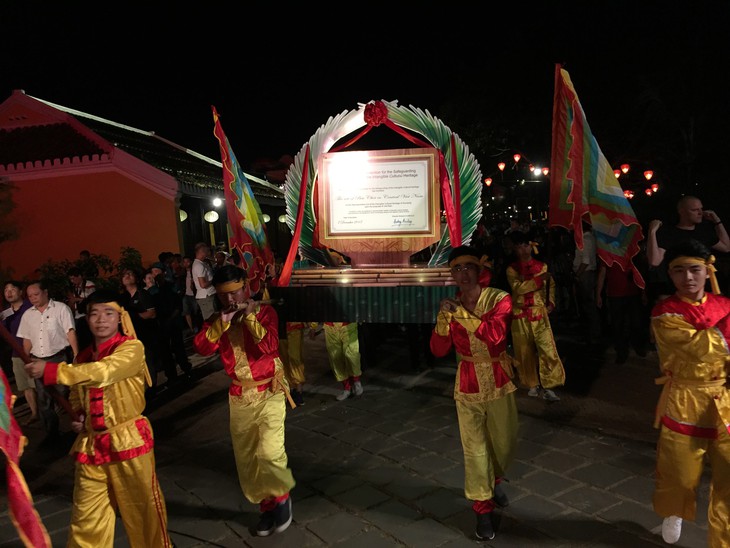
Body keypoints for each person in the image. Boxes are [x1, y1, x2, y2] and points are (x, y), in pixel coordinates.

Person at [25, 289, 172, 547]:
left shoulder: (131, 349)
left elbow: (105, 372)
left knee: (143, 512)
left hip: (128, 442)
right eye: (94, 313)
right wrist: (80, 415)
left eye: (108, 313)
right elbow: (76, 397)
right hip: (92, 446)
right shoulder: (82, 357)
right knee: (86, 517)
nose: (101, 319)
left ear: (120, 318)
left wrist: (53, 371)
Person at [193, 265, 295, 537]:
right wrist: (221, 323)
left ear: (247, 287)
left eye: (236, 291)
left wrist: (250, 318)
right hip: (240, 397)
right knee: (247, 458)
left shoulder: (265, 312)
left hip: (269, 391)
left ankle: (282, 496)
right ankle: (266, 507)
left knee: (270, 450)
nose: (231, 299)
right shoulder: (218, 320)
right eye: (225, 294)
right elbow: (202, 347)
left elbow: (270, 347)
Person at [430, 245, 517, 541]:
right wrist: (443, 322)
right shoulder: (450, 305)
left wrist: (460, 316)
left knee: (502, 443)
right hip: (467, 385)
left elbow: (495, 337)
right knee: (475, 450)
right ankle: (482, 509)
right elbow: (438, 350)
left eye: (467, 267)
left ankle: (495, 480)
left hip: (499, 380)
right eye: (456, 268)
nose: (462, 273)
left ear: (479, 270)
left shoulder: (500, 298)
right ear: (451, 275)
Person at [649, 239, 730, 547]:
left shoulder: (724, 306)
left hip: (725, 399)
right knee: (679, 472)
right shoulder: (665, 314)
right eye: (679, 271)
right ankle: (674, 510)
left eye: (695, 269)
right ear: (670, 275)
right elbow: (700, 350)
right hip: (685, 399)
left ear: (707, 270)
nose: (688, 278)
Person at [505, 231, 565, 402]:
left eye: (525, 245)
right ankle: (532, 383)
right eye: (518, 247)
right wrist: (539, 281)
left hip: (539, 313)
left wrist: (551, 302)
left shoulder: (542, 266)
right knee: (524, 351)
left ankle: (549, 384)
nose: (523, 250)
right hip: (520, 315)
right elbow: (519, 289)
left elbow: (550, 287)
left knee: (547, 349)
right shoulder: (512, 269)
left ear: (531, 246)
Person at [16, 280, 78, 444]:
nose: (33, 298)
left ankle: (76, 428)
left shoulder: (60, 309)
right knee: (44, 399)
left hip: (58, 359)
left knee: (64, 394)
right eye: (29, 296)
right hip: (37, 360)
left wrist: (77, 354)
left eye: (36, 294)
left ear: (45, 292)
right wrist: (26, 358)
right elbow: (27, 339)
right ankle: (52, 432)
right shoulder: (28, 314)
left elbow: (70, 332)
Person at [646, 195, 730, 299]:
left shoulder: (704, 232)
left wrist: (717, 221)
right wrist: (652, 232)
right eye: (695, 210)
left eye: (701, 209)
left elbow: (726, 247)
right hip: (680, 289)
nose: (700, 213)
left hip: (707, 288)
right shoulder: (670, 233)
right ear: (682, 211)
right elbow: (654, 261)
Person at [595, 260, 648, 364]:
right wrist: (598, 294)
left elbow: (637, 273)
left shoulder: (630, 251)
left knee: (636, 322)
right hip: (615, 295)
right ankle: (621, 352)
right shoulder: (608, 253)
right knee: (618, 325)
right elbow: (602, 274)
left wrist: (643, 292)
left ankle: (637, 346)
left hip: (632, 293)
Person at [1, 281, 36, 425]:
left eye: (12, 289)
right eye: (6, 290)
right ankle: (35, 413)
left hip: (33, 352)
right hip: (16, 354)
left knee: (37, 385)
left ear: (20, 292)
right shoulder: (5, 313)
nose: (9, 293)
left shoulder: (30, 308)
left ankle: (49, 411)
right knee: (25, 387)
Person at [312, 321, 364, 401]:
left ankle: (356, 381)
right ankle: (347, 388)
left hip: (348, 326)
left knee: (351, 355)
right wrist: (313, 326)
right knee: (335, 359)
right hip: (330, 328)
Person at [572, 223, 602, 345]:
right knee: (588, 305)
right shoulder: (591, 238)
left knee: (587, 306)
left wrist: (577, 275)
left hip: (585, 275)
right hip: (587, 274)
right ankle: (592, 333)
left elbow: (585, 261)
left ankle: (592, 335)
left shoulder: (585, 239)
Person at [66, 266, 96, 349]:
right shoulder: (74, 287)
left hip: (86, 315)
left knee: (87, 339)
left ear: (79, 276)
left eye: (73, 279)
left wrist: (75, 299)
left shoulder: (89, 285)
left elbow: (91, 299)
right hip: (77, 315)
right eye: (70, 279)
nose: (72, 281)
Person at [192, 242, 217, 321]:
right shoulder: (199, 266)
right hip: (206, 296)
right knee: (211, 320)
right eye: (207, 251)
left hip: (208, 295)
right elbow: (202, 284)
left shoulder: (202, 264)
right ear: (202, 252)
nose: (208, 253)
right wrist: (213, 280)